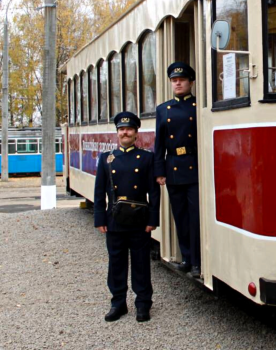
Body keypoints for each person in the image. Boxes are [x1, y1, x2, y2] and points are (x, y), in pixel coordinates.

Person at [94, 111, 160, 322]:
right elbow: (99, 192)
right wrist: (100, 219)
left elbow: (154, 192)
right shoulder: (107, 159)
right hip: (114, 219)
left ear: (136, 133)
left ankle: (143, 303)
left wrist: (152, 219)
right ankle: (118, 303)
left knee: (141, 263)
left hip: (139, 220)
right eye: (122, 129)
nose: (125, 132)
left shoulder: (147, 158)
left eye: (129, 129)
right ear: (117, 133)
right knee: (116, 263)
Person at [154, 62, 201, 278]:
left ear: (191, 82)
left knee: (195, 216)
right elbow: (159, 145)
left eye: (182, 80)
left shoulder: (199, 106)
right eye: (174, 80)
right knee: (180, 216)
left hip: (194, 165)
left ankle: (199, 260)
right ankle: (187, 257)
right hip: (173, 167)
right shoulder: (163, 110)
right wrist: (160, 171)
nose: (178, 83)